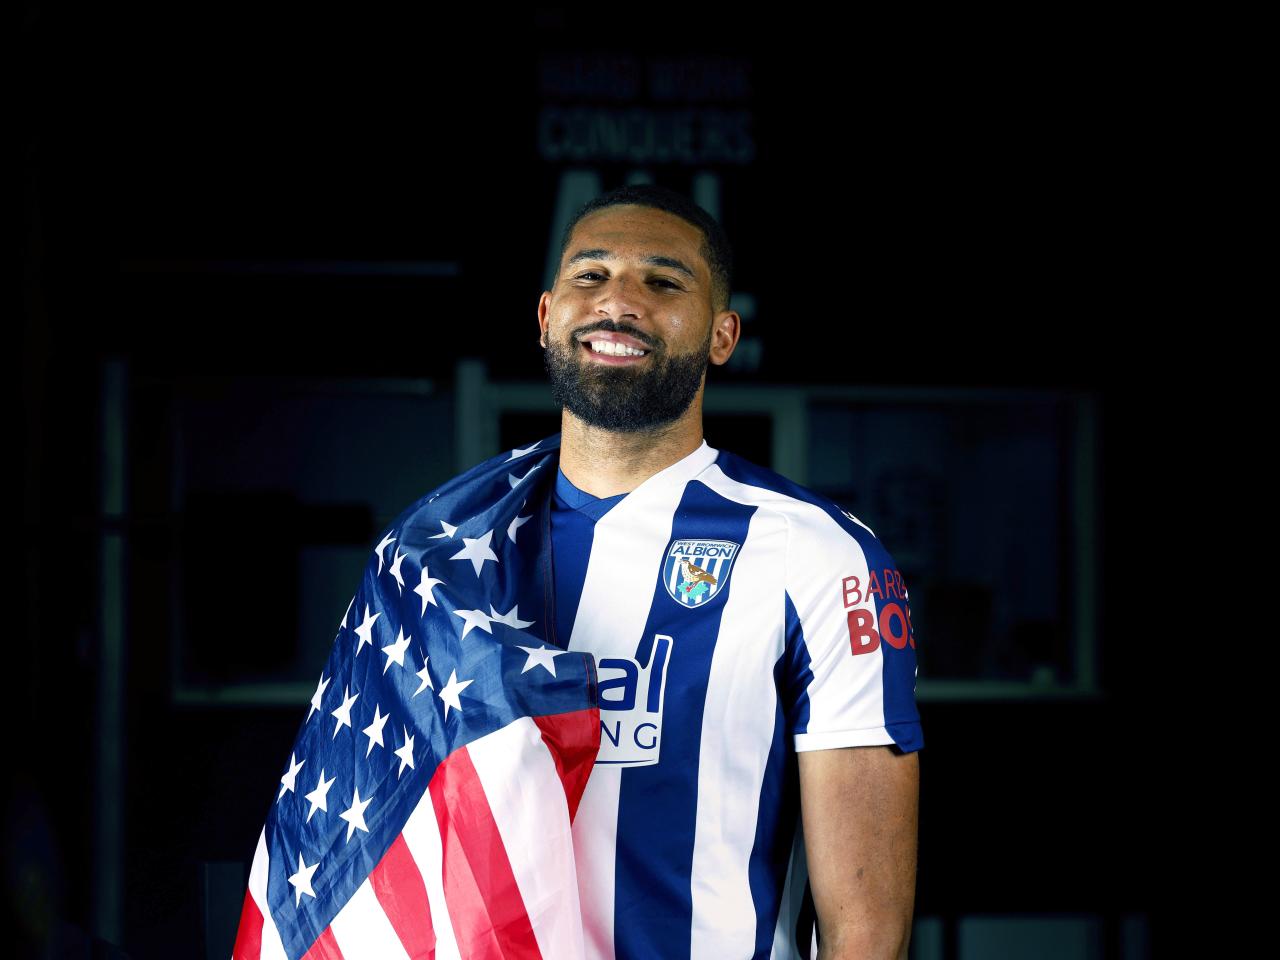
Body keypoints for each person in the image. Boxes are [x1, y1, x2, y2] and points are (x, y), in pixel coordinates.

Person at [534, 184, 923, 960]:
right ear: (546, 316)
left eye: (663, 281)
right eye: (591, 275)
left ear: (722, 336)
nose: (619, 301)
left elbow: (866, 931)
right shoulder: (449, 545)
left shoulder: (816, 554)